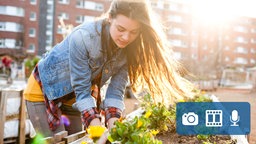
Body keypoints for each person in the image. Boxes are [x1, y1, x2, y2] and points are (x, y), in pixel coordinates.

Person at [24, 0, 194, 141]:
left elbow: (115, 91)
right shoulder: (83, 38)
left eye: (133, 32)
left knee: (79, 140)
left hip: (73, 99)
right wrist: (96, 125)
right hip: (44, 92)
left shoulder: (128, 50)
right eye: (121, 29)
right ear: (110, 18)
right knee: (58, 141)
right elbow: (83, 91)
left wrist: (114, 127)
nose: (126, 37)